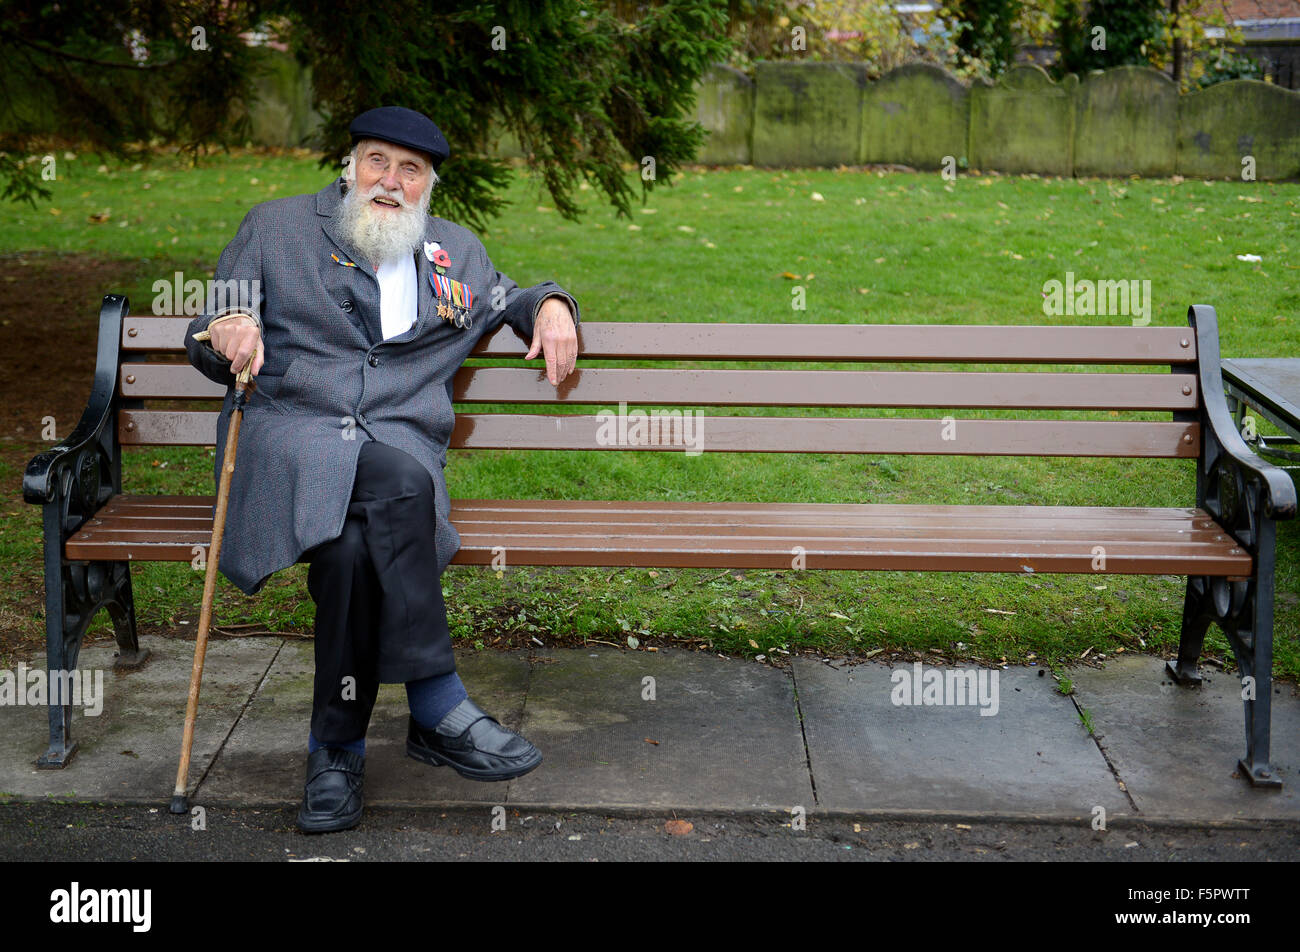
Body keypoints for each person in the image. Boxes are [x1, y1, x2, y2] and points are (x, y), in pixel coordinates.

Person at [185, 106, 580, 833]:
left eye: (410, 170)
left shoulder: (455, 250)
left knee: (350, 553)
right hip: (291, 440)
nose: (389, 182)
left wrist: (552, 304)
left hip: (393, 450)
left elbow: (508, 299)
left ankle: (332, 754)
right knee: (398, 482)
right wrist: (227, 330)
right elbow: (215, 329)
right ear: (349, 166)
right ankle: (436, 702)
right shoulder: (275, 229)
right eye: (376, 161)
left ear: (429, 185)